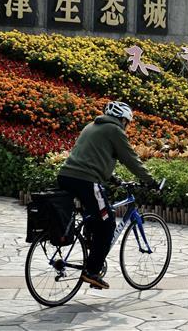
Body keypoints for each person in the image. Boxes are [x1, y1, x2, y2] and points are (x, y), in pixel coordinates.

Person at [57, 100, 157, 290]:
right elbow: (131, 159)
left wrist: (113, 178)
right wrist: (151, 181)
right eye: (127, 123)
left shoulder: (91, 126)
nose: (127, 126)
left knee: (95, 217)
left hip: (66, 176)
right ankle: (92, 271)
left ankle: (90, 245)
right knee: (108, 222)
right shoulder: (115, 130)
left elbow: (90, 158)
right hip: (86, 181)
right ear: (123, 119)